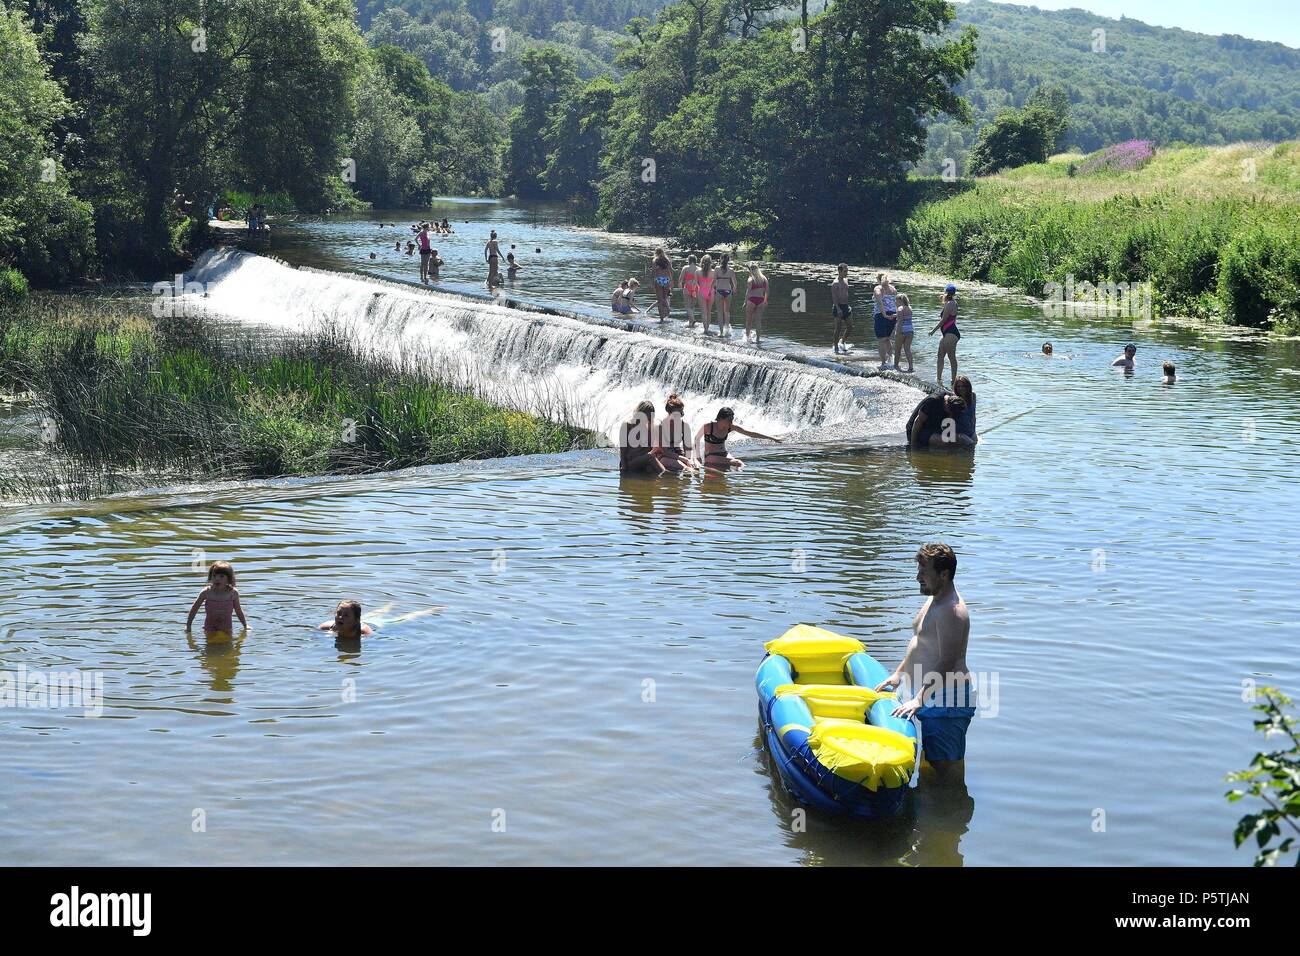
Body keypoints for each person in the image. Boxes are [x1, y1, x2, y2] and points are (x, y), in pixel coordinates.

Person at [874, 542, 975, 784]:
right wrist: (898, 674)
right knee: (930, 766)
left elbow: (947, 661)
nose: (918, 577)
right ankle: (932, 815)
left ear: (944, 574)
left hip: (947, 701)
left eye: (924, 572)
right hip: (932, 696)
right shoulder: (935, 598)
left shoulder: (952, 611)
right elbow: (920, 640)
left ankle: (949, 814)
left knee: (943, 773)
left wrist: (919, 699)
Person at [694, 407, 781, 470]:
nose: (731, 422)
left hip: (724, 454)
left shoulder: (730, 427)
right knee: (738, 463)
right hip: (710, 457)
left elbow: (750, 433)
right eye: (729, 420)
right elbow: (696, 439)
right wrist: (698, 457)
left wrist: (772, 438)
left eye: (732, 420)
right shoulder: (708, 426)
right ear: (721, 418)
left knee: (738, 466)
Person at [186, 561, 248, 637]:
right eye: (214, 576)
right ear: (210, 577)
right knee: (210, 646)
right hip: (210, 627)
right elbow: (194, 609)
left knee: (227, 646)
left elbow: (238, 611)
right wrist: (188, 625)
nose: (217, 579)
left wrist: (245, 625)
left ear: (229, 579)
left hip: (226, 626)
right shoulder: (206, 592)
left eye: (221, 576)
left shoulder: (233, 593)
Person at [906, 391, 971, 449]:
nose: (951, 414)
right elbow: (918, 422)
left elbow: (950, 426)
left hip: (934, 427)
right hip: (918, 430)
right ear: (947, 405)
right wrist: (913, 445)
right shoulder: (933, 401)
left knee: (966, 441)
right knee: (945, 442)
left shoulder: (952, 401)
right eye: (951, 412)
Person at [929, 284, 961, 387]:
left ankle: (953, 381)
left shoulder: (950, 304)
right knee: (940, 356)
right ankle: (938, 379)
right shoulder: (949, 302)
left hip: (951, 333)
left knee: (951, 357)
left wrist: (933, 330)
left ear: (946, 292)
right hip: (946, 333)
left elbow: (944, 320)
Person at [619, 401, 664, 474]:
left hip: (644, 462)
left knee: (652, 470)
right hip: (629, 462)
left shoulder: (651, 426)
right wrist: (624, 470)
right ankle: (668, 478)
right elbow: (622, 452)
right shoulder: (627, 424)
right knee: (650, 457)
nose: (647, 421)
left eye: (650, 419)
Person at [655, 394, 695, 473]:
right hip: (662, 457)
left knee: (692, 467)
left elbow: (688, 450)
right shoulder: (661, 426)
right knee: (687, 469)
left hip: (677, 454)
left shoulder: (684, 426)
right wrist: (685, 459)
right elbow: (665, 452)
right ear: (669, 413)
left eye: (680, 414)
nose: (678, 417)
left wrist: (689, 460)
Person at [873, 273, 899, 369]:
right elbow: (897, 303)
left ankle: (883, 363)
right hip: (893, 316)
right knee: (887, 338)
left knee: (881, 339)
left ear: (879, 279)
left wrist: (884, 314)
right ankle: (890, 360)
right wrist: (896, 315)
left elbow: (880, 302)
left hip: (881, 316)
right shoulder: (893, 289)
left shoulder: (878, 288)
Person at [744, 262, 769, 346]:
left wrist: (745, 302)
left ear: (751, 270)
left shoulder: (750, 279)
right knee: (758, 321)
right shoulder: (764, 279)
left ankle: (747, 338)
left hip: (751, 300)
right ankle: (758, 339)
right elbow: (767, 291)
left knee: (749, 320)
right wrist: (765, 300)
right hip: (761, 300)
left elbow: (748, 292)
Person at [831, 263, 853, 355]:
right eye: (845, 271)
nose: (846, 273)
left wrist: (847, 306)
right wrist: (838, 309)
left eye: (847, 271)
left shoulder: (846, 280)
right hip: (838, 307)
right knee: (838, 329)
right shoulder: (835, 284)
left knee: (850, 326)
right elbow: (834, 298)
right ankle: (835, 347)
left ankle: (842, 342)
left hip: (846, 306)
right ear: (839, 271)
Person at [715, 254, 738, 337]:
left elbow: (714, 281)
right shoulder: (731, 270)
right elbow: (735, 283)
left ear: (720, 259)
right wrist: (734, 289)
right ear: (728, 260)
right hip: (728, 291)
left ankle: (721, 332)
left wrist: (712, 289)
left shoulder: (717, 269)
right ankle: (727, 331)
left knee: (720, 312)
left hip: (719, 291)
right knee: (727, 312)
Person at [952, 375, 977, 444]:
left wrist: (974, 431)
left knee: (975, 444)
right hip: (958, 432)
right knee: (970, 444)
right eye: (958, 386)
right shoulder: (954, 399)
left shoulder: (973, 396)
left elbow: (973, 415)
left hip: (970, 430)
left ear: (968, 387)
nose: (961, 388)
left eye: (963, 386)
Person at [894, 293, 915, 372]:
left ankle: (896, 366)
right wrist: (895, 315)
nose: (895, 302)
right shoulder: (909, 308)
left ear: (900, 301)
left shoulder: (900, 309)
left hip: (902, 331)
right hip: (910, 330)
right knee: (907, 349)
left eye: (896, 300)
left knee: (897, 349)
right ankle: (911, 367)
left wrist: (897, 332)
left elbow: (900, 322)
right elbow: (905, 317)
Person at [650, 248, 673, 321]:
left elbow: (653, 272)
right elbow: (670, 271)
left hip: (658, 280)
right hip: (666, 280)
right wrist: (671, 281)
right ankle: (667, 310)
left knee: (660, 300)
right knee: (665, 298)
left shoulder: (655, 260)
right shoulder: (667, 260)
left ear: (656, 253)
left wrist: (651, 282)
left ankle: (661, 318)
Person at [697, 255, 716, 334]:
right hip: (711, 292)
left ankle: (705, 329)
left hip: (701, 291)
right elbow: (715, 283)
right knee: (709, 311)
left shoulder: (697, 272)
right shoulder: (714, 272)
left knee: (704, 312)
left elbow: (697, 283)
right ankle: (707, 328)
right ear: (710, 262)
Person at [680, 254, 701, 327]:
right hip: (696, 288)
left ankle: (692, 319)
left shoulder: (685, 268)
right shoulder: (699, 269)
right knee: (692, 306)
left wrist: (680, 284)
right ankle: (691, 322)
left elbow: (681, 279)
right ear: (695, 260)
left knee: (687, 306)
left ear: (689, 260)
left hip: (687, 287)